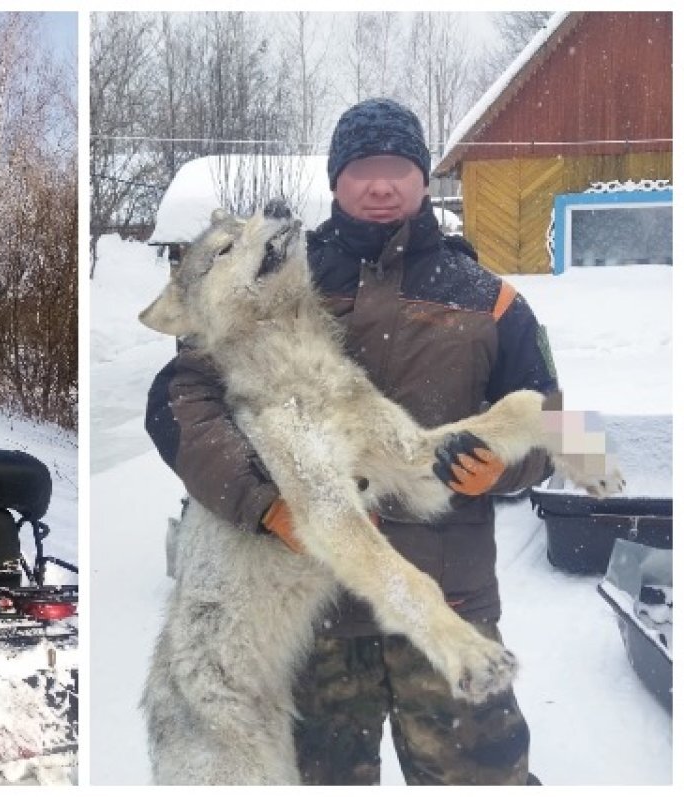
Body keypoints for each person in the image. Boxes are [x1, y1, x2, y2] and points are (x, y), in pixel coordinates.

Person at [145, 98, 558, 786]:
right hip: (313, 621)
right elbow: (181, 400)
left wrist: (508, 465)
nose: (380, 183)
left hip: (448, 602)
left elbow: (556, 420)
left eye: (398, 167)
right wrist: (257, 500)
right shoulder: (276, 274)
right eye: (363, 167)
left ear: (424, 179)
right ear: (337, 179)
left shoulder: (492, 298)